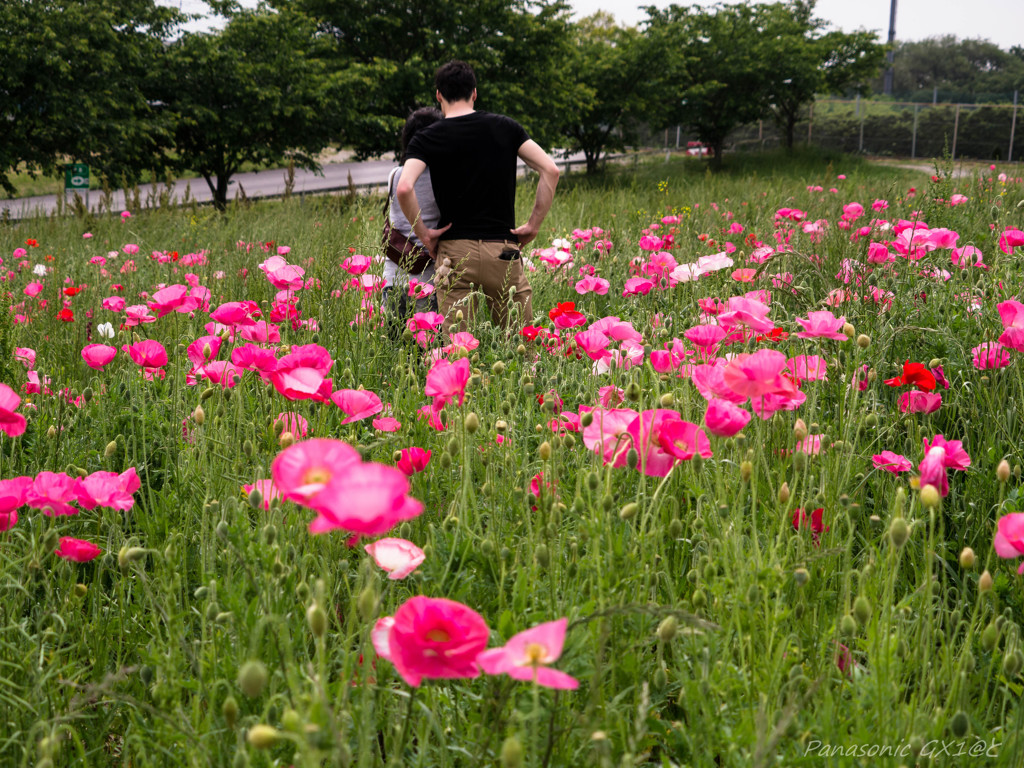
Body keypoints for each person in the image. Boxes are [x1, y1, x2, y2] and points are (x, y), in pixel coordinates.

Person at [396, 60, 559, 332]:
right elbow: (550, 170)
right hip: (503, 251)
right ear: (474, 92)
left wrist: (424, 234)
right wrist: (533, 224)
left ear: (438, 95)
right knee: (519, 347)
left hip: (454, 254)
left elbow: (403, 187)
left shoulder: (426, 137)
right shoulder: (506, 127)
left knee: (458, 350)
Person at [381, 107, 443, 336]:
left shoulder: (395, 175)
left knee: (395, 344)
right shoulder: (442, 178)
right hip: (426, 278)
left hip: (393, 274)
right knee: (427, 347)